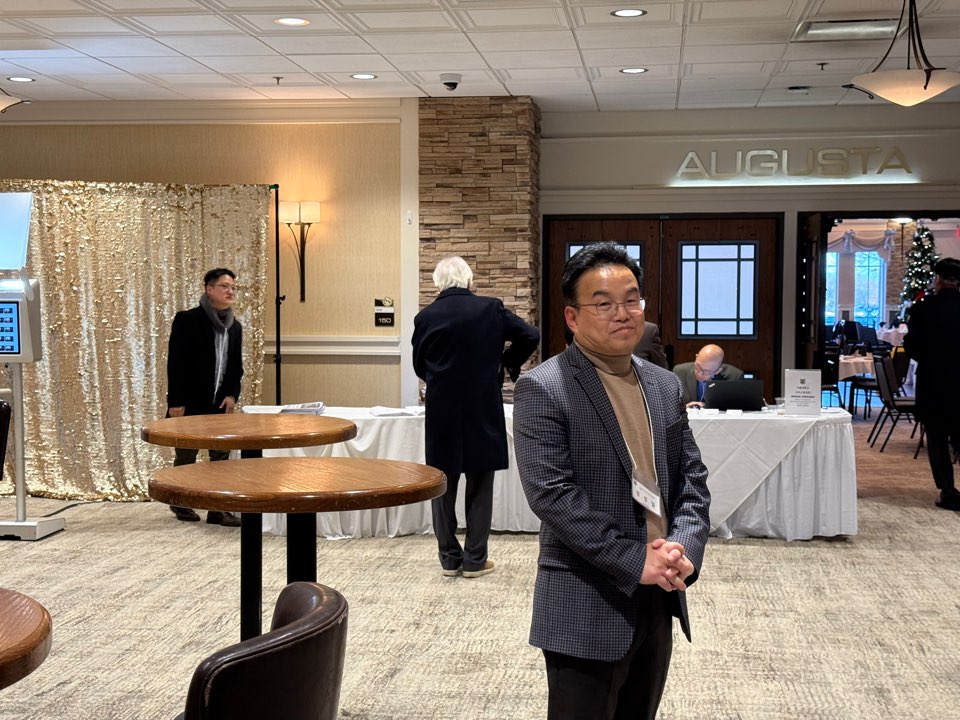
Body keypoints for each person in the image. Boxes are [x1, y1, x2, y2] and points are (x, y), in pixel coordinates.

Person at [513, 242, 710, 720]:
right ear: (573, 317)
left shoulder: (663, 384)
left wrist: (683, 548)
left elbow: (691, 479)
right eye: (603, 303)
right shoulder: (543, 387)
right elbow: (552, 495)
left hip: (660, 589)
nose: (623, 313)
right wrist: (634, 559)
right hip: (587, 595)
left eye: (632, 299)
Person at [412, 256, 539, 577]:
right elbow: (530, 335)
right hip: (482, 407)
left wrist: (439, 378)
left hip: (442, 410)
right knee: (480, 484)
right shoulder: (490, 308)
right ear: (469, 280)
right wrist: (507, 361)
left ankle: (448, 559)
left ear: (437, 283)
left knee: (442, 485)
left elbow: (419, 365)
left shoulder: (425, 317)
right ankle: (475, 560)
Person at [165, 268, 244, 527]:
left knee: (221, 457)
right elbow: (176, 363)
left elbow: (235, 366)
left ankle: (217, 509)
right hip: (189, 402)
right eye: (224, 286)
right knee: (186, 455)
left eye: (233, 287)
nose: (230, 291)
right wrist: (176, 401)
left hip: (219, 404)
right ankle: (180, 501)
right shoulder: (188, 320)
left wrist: (232, 394)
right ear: (209, 289)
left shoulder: (235, 327)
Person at [903, 256, 960, 511]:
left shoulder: (924, 308)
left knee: (937, 440)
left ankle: (948, 491)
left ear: (938, 279)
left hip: (934, 382)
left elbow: (911, 346)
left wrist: (930, 358)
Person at [672, 343, 745, 407]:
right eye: (698, 367)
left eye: (706, 372)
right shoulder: (679, 371)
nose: (700, 374)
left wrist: (708, 406)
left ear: (718, 371)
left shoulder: (735, 377)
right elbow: (671, 403)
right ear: (696, 357)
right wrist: (685, 407)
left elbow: (737, 406)